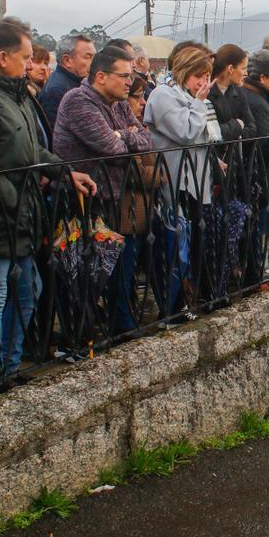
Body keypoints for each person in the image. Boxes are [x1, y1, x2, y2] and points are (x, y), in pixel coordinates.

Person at [0, 19, 96, 398]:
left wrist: (65, 171)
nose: (31, 64)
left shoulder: (12, 91)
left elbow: (30, 150)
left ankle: (8, 367)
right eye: (26, 57)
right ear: (2, 57)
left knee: (28, 288)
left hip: (21, 214)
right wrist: (11, 196)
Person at [54, 46, 153, 335]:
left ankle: (120, 325)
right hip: (83, 202)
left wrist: (122, 134)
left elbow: (147, 139)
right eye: (123, 75)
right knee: (88, 274)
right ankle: (81, 337)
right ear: (101, 76)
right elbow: (115, 152)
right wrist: (125, 137)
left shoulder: (119, 102)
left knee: (121, 268)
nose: (128, 82)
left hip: (116, 197)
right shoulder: (78, 101)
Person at [145, 45, 222, 312]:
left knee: (190, 243)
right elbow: (187, 132)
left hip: (194, 182)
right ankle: (173, 307)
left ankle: (188, 299)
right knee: (175, 246)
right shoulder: (163, 95)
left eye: (207, 76)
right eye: (199, 75)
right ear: (184, 72)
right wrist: (200, 103)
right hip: (174, 182)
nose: (204, 82)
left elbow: (209, 133)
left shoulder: (187, 95)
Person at [240, 48, 269, 287]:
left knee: (252, 229)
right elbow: (268, 143)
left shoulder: (246, 96)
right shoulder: (259, 103)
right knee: (256, 230)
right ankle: (254, 278)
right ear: (261, 78)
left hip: (251, 176)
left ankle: (252, 275)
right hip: (260, 178)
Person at [39, 34, 96, 130]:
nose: (94, 63)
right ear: (67, 60)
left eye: (94, 57)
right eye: (88, 57)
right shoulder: (56, 90)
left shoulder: (81, 82)